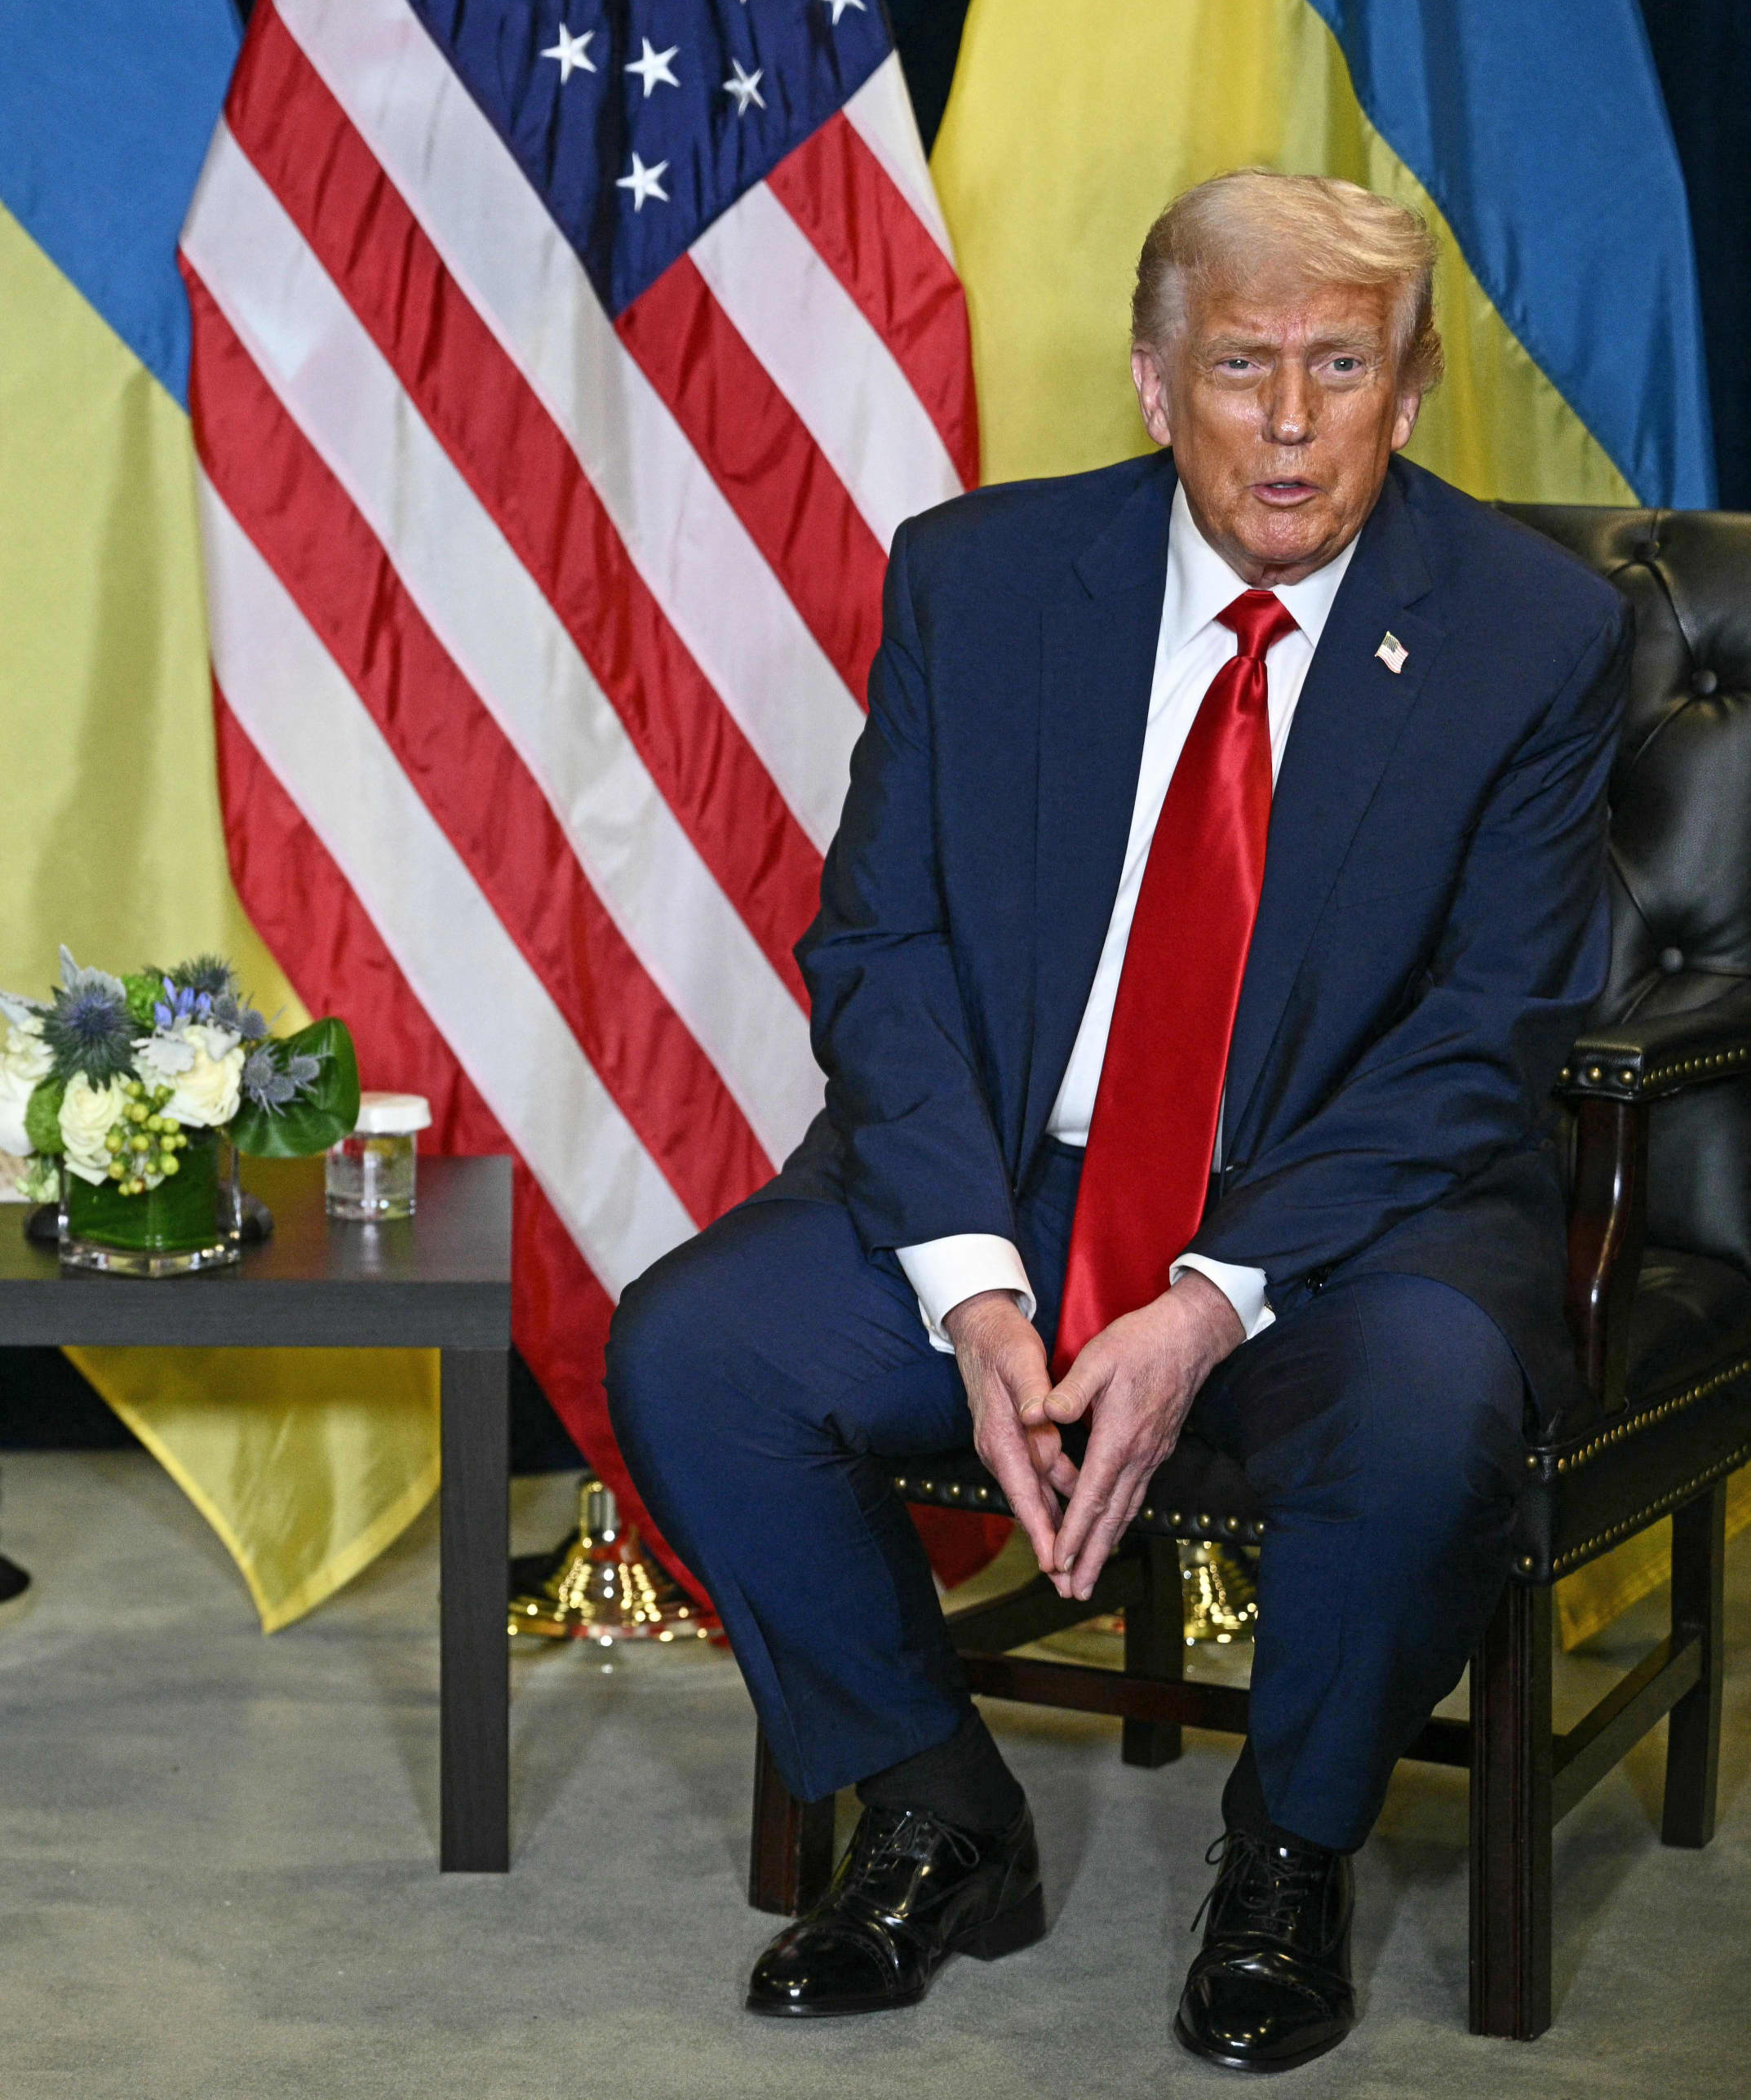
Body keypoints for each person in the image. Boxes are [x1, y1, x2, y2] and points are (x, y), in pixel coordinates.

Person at [606, 171, 1623, 2072]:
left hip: (1345, 1215)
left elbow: (1485, 1031)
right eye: (1242, 366)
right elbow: (881, 945)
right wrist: (976, 1289)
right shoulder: (980, 578)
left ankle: (1286, 1857)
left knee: (1423, 1416)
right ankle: (937, 1811)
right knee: (699, 1346)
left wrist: (1209, 1295)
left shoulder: (1531, 634)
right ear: (1155, 382)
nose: (1292, 422)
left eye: (1343, 366)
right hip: (1016, 1176)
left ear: (1410, 390)